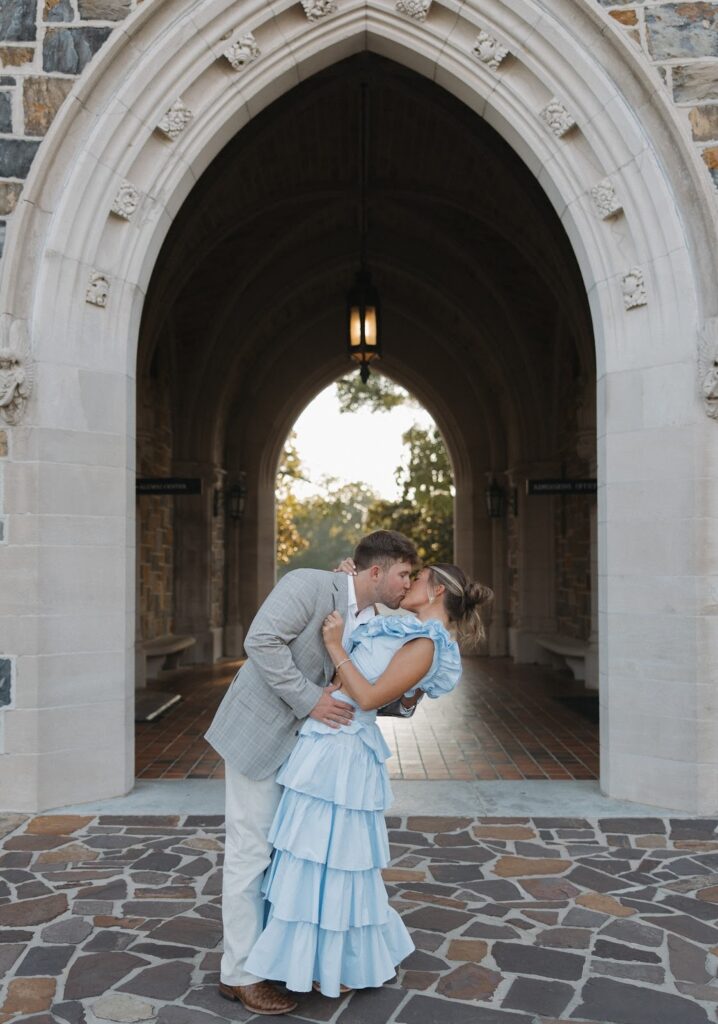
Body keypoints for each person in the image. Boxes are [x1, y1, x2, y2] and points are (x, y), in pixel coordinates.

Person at [242, 562, 493, 998]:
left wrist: (336, 646)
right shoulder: (400, 627)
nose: (409, 581)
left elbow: (372, 696)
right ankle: (300, 958)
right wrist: (349, 586)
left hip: (345, 754)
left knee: (336, 861)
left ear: (435, 592)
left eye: (417, 577)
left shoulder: (428, 645)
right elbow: (367, 626)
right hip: (325, 744)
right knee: (309, 856)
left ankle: (334, 961)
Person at [205, 530, 421, 1016]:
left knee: (290, 858)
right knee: (251, 852)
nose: (407, 584)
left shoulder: (373, 617)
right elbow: (260, 640)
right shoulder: (308, 584)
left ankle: (279, 960)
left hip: (312, 758)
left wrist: (407, 694)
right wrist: (310, 700)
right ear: (374, 571)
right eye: (403, 574)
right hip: (260, 736)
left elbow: (363, 688)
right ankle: (239, 975)